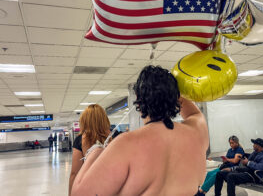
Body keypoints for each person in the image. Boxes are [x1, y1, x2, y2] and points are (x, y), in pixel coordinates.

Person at [71, 65, 209, 196]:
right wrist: (171, 89)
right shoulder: (196, 132)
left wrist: (94, 152)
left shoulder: (126, 143)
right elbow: (194, 113)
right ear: (176, 97)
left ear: (138, 99)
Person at [68, 104, 111, 196]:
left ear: (84, 121)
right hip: (111, 185)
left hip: (89, 187)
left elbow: (74, 173)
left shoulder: (80, 140)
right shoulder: (113, 138)